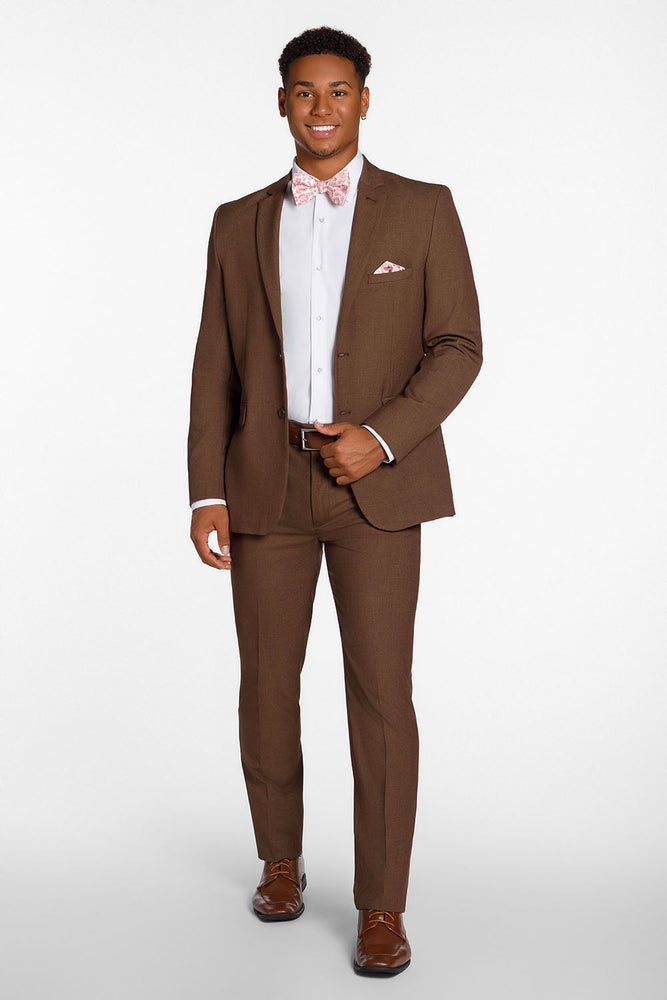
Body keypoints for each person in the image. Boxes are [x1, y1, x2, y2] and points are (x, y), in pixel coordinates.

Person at [187, 25, 482, 976]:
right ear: (282, 102)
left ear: (364, 100)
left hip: (376, 491)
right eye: (305, 92)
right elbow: (215, 365)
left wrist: (382, 436)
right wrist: (205, 490)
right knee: (266, 685)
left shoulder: (423, 209)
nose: (322, 108)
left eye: (339, 91)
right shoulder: (237, 221)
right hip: (263, 487)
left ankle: (381, 905)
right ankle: (279, 861)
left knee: (380, 695)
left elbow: (458, 346)